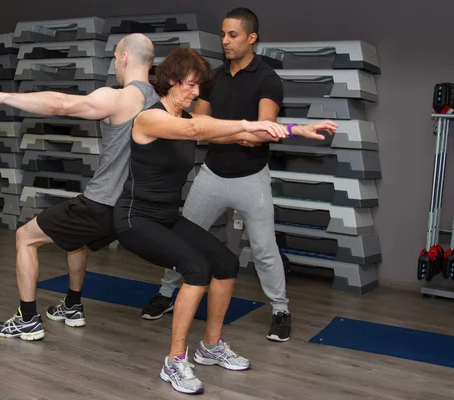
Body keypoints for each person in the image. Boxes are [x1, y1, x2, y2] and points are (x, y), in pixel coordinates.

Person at [112, 48, 337, 394]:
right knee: (196, 270)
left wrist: (296, 128)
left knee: (227, 263)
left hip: (167, 218)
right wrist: (249, 121)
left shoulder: (186, 120)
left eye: (198, 87)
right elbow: (196, 129)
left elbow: (244, 138)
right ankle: (174, 361)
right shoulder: (149, 118)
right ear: (170, 81)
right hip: (135, 219)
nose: (196, 93)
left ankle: (210, 345)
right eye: (190, 86)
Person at [141, 7, 335, 343]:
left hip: (251, 179)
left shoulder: (267, 79)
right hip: (212, 176)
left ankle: (280, 310)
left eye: (233, 35)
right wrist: (238, 134)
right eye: (223, 34)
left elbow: (261, 131)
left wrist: (240, 133)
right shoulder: (213, 78)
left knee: (263, 248)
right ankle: (166, 293)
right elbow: (198, 130)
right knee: (182, 238)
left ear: (252, 38)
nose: (225, 41)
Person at [0, 33, 159, 340]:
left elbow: (61, 104)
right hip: (129, 207)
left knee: (25, 237)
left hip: (102, 203)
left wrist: (1, 96)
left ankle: (26, 319)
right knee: (74, 240)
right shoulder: (158, 101)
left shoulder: (121, 97)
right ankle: (72, 305)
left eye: (114, 57)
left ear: (124, 58)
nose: (114, 64)